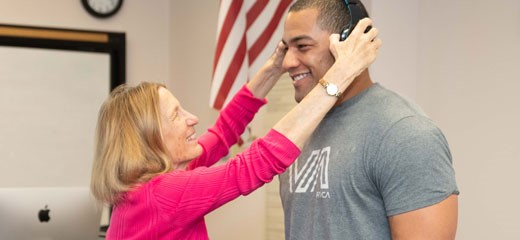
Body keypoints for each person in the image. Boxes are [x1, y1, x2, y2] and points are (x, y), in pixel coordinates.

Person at [89, 18, 380, 239]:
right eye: (177, 115)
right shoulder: (166, 193)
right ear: (149, 139)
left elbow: (222, 133)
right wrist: (339, 77)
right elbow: (257, 162)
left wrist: (273, 68)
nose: (193, 119)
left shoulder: (148, 188)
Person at [278, 0, 459, 239]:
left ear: (349, 44)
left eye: (302, 46)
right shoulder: (299, 129)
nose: (287, 63)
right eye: (286, 48)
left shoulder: (405, 133)